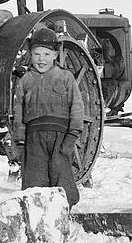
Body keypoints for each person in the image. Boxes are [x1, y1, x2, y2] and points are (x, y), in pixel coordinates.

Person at [11, 26, 83, 207]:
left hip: (60, 139)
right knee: (35, 185)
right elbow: (18, 111)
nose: (41, 59)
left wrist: (71, 138)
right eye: (37, 54)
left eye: (46, 54)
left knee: (62, 180)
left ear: (55, 55)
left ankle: (64, 216)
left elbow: (77, 108)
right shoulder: (25, 80)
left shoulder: (66, 78)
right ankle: (39, 220)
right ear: (31, 55)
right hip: (34, 139)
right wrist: (19, 141)